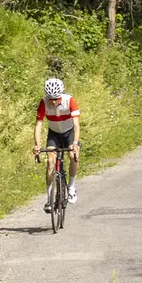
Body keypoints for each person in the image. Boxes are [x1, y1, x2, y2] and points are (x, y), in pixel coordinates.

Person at [33, 77, 80, 207]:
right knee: (50, 162)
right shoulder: (43, 102)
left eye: (56, 99)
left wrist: (75, 143)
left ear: (61, 95)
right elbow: (38, 125)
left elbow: (76, 125)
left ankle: (71, 187)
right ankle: (49, 200)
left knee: (73, 156)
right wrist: (37, 145)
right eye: (51, 99)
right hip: (54, 134)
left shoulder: (70, 100)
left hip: (69, 133)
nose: (53, 102)